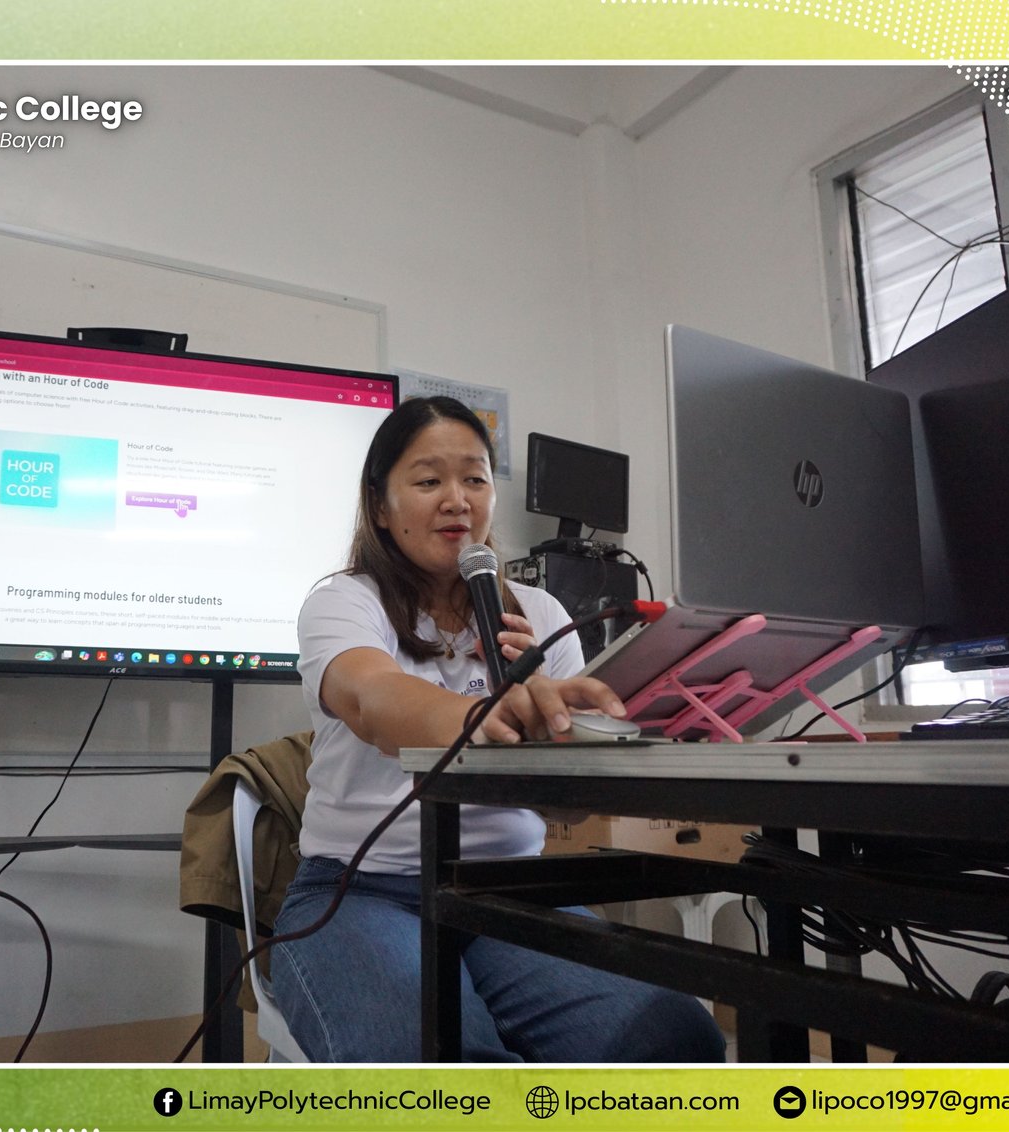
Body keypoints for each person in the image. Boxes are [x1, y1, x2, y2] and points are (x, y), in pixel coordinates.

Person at [270, 395, 726, 1063]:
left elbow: (560, 809)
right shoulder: (344, 601)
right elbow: (373, 700)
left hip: (511, 893)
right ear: (380, 506)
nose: (457, 500)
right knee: (436, 1063)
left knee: (673, 1034)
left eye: (475, 479)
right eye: (429, 480)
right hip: (360, 892)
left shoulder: (541, 615)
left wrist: (558, 734)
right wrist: (490, 716)